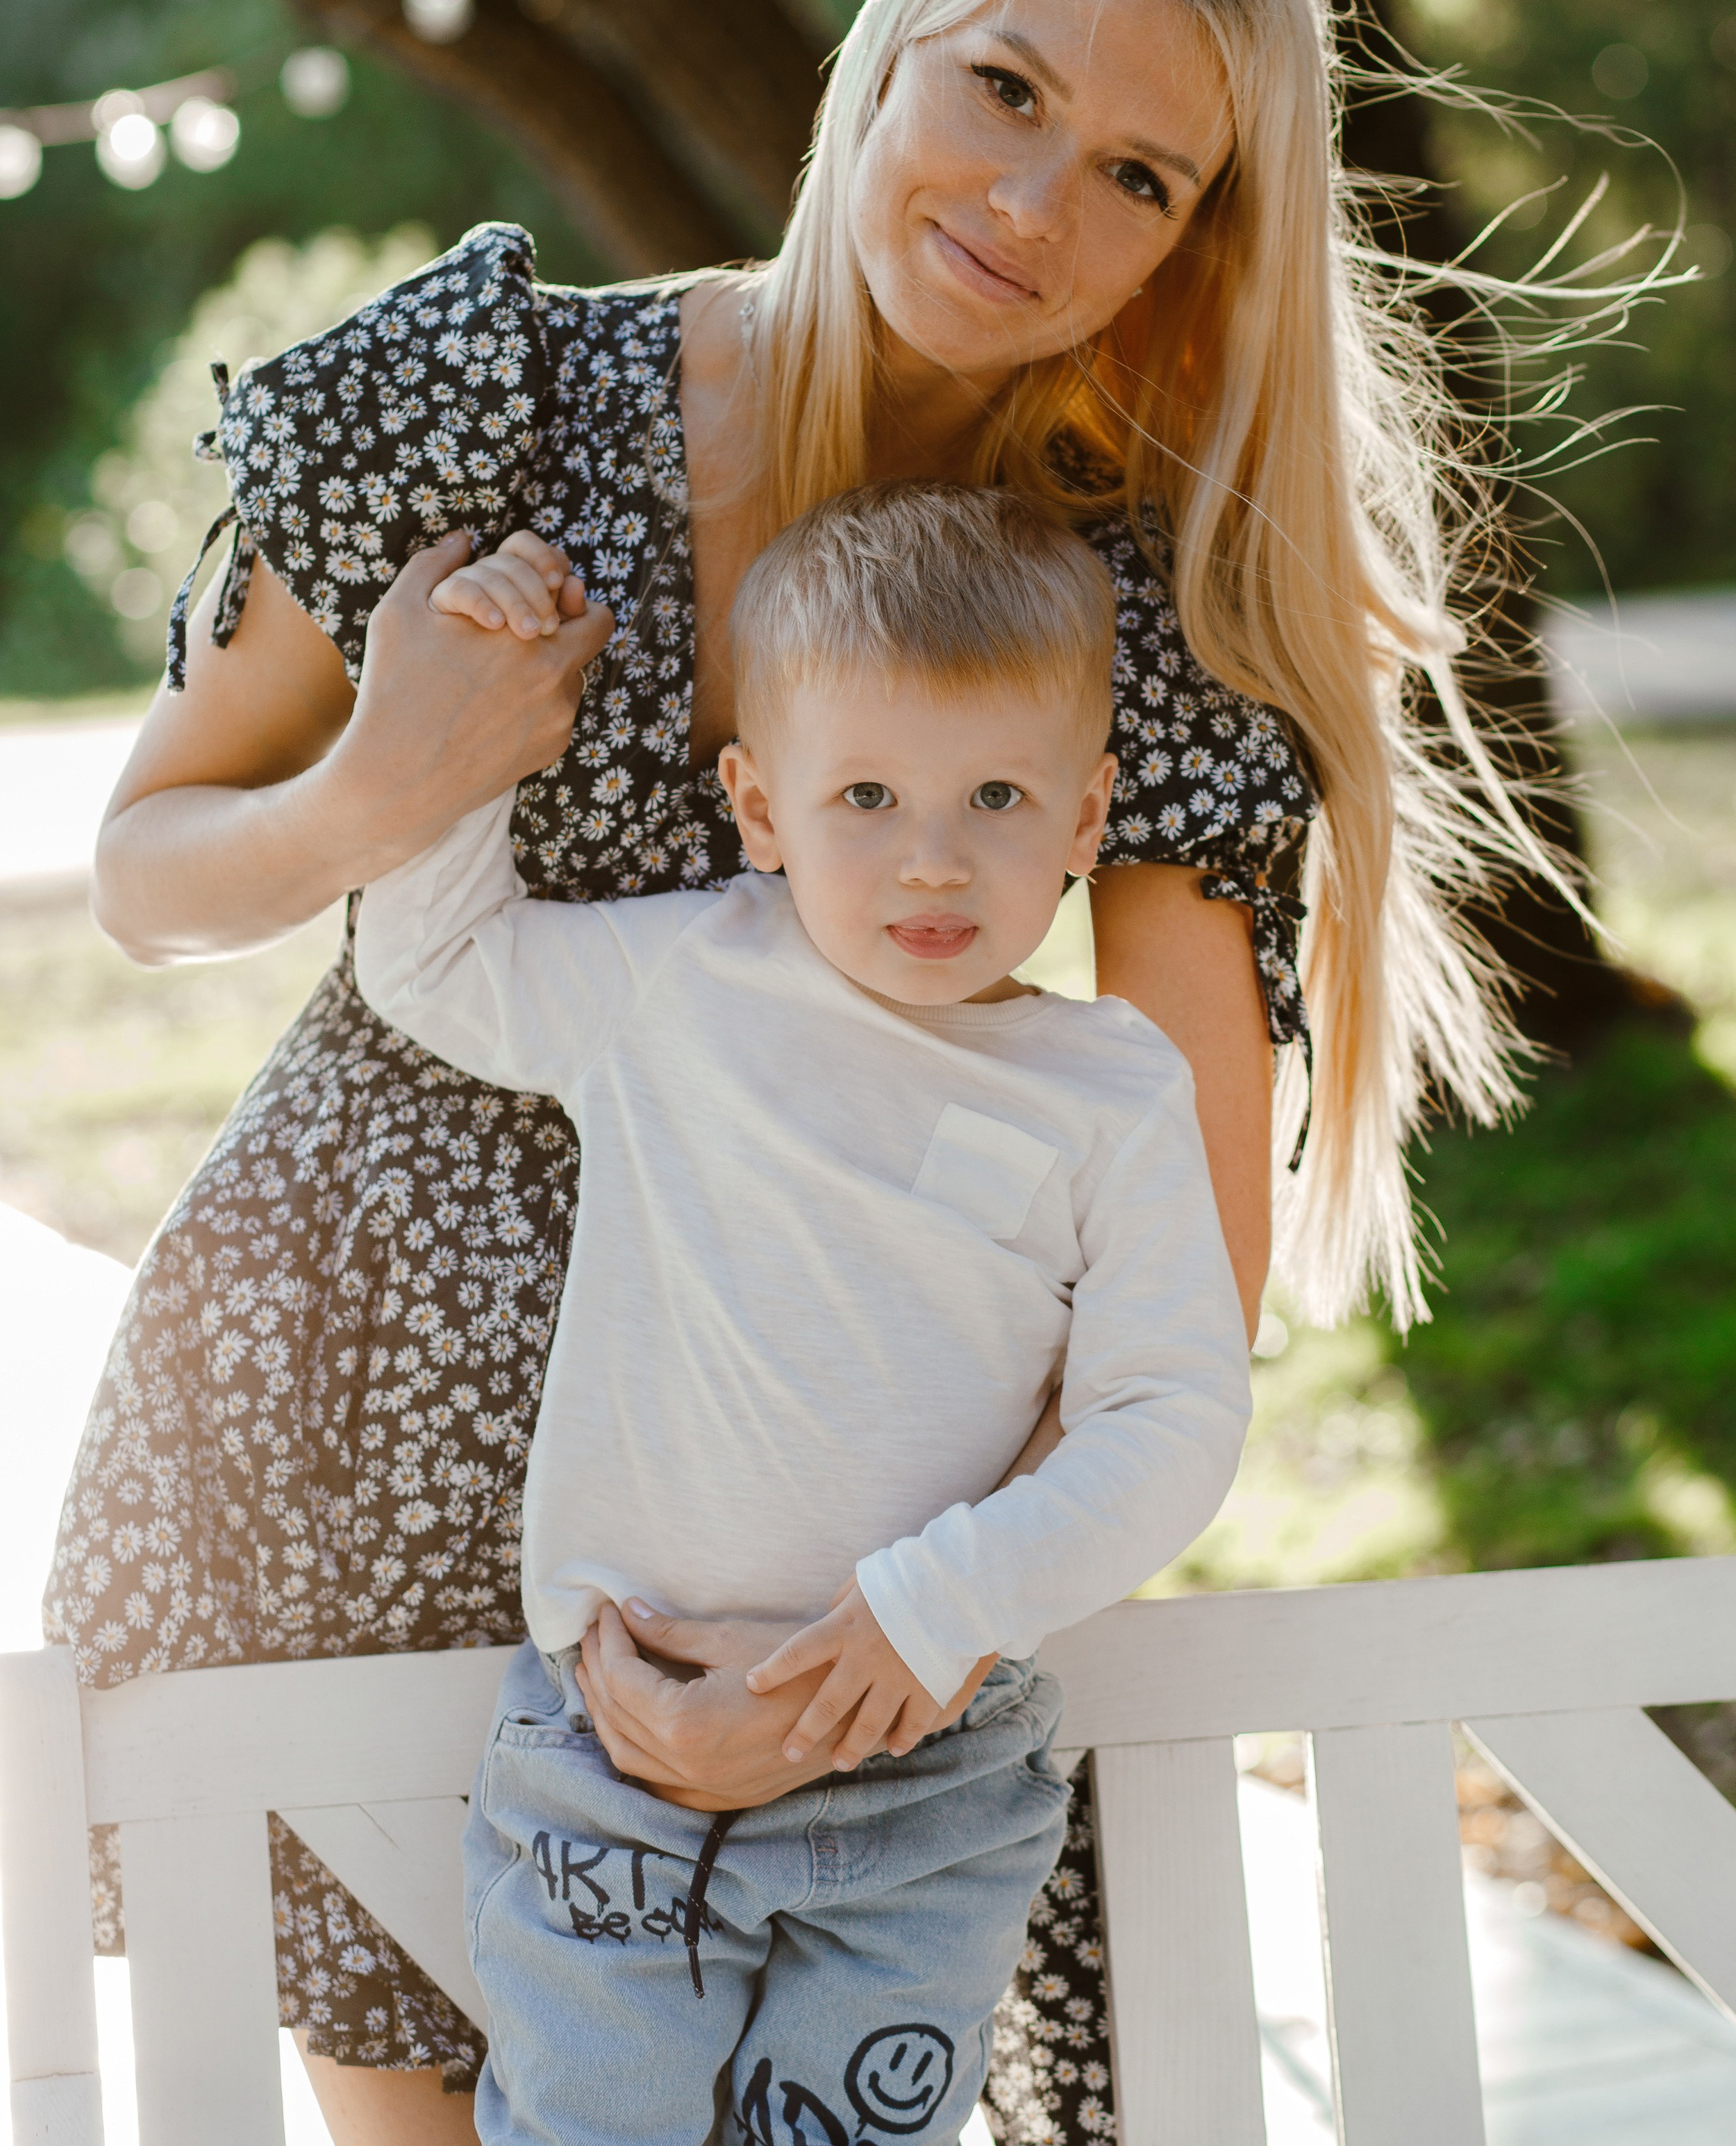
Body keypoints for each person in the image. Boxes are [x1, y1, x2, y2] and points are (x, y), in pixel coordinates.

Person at [52, 0, 1531, 2145]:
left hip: (852, 1544)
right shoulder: (490, 411)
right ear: (896, 39)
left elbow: (1177, 1251)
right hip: (367, 1433)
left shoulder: (1140, 611)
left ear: (1193, 249)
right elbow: (147, 869)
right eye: (1009, 91)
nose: (1039, 206)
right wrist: (379, 787)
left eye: (1141, 177)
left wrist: (886, 1639)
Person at [351, 483, 1252, 2143]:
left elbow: (1174, 1412)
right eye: (863, 795)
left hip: (922, 1763)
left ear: (1083, 816)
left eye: (995, 794)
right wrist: (460, 729)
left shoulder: (1109, 1089)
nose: (930, 854)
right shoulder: (682, 979)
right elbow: (434, 966)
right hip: (615, 1738)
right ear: (758, 806)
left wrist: (936, 1606)